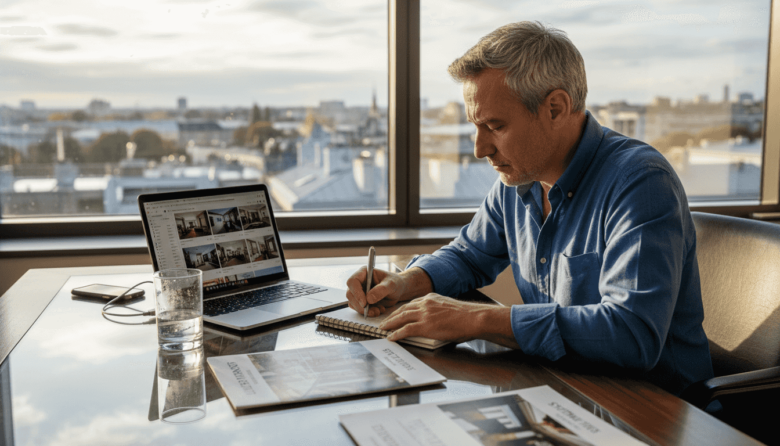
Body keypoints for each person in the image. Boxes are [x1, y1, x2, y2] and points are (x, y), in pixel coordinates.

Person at [345, 21, 713, 395]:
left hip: (654, 408)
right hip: (561, 388)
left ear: (555, 108)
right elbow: (470, 255)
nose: (479, 149)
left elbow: (631, 334)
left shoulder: (640, 182)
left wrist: (477, 320)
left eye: (495, 125)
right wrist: (406, 281)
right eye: (476, 126)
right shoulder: (520, 177)